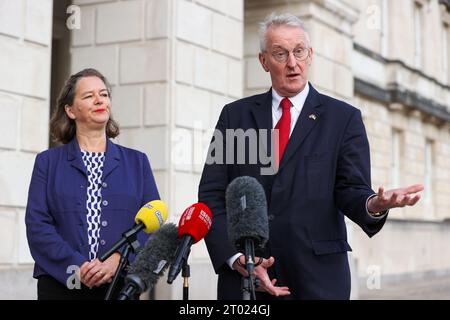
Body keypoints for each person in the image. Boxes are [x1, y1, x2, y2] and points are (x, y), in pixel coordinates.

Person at [198, 13, 424, 300]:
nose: (292, 63)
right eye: (280, 53)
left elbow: (350, 190)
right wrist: (235, 258)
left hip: (318, 279)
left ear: (310, 55)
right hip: (247, 280)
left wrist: (374, 204)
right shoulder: (235, 116)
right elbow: (211, 193)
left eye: (299, 51)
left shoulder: (344, 119)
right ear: (263, 61)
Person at [25, 68, 160, 300]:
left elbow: (153, 223)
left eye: (104, 94)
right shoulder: (47, 162)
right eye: (88, 96)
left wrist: (119, 259)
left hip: (119, 284)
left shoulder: (138, 162)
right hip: (61, 285)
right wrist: (78, 266)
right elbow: (38, 226)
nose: (99, 100)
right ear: (70, 110)